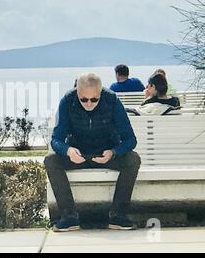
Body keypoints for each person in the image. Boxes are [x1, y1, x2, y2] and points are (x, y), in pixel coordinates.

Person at [45, 73, 141, 232]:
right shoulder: (67, 101)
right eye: (84, 99)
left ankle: (118, 216)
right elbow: (56, 140)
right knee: (51, 161)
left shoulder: (112, 100)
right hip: (78, 155)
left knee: (133, 159)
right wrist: (68, 151)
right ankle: (69, 217)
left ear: (100, 93)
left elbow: (130, 140)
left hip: (106, 154)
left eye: (94, 99)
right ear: (77, 92)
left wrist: (113, 152)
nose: (89, 103)